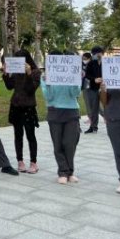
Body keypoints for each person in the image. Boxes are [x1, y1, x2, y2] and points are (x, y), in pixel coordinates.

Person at [41, 51, 81, 184]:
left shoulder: (73, 74)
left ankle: (70, 171)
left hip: (71, 111)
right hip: (54, 111)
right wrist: (47, 83)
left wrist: (75, 81)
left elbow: (75, 94)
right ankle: (62, 171)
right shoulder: (45, 76)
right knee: (58, 144)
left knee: (70, 144)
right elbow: (48, 97)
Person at [2, 49, 41, 174]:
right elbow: (9, 87)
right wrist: (6, 74)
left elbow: (31, 89)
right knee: (18, 135)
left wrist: (29, 73)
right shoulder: (16, 71)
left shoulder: (35, 72)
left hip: (28, 106)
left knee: (30, 135)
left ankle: (33, 162)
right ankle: (20, 161)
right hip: (16, 105)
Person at [84, 46, 104, 133]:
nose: (96, 55)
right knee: (94, 109)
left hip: (105, 89)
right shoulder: (91, 63)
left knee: (109, 107)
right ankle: (93, 126)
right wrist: (94, 79)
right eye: (94, 54)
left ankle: (113, 125)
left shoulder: (107, 63)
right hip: (93, 88)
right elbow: (86, 75)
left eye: (97, 53)